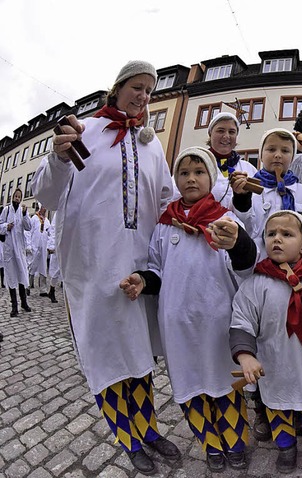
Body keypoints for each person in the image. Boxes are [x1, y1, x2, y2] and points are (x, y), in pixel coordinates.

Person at [32, 60, 179, 475]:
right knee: (107, 354)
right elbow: (48, 194)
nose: (144, 96)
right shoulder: (86, 131)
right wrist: (59, 159)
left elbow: (167, 200)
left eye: (150, 90)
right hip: (94, 264)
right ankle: (128, 438)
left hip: (139, 264)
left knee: (139, 353)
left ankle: (148, 429)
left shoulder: (151, 144)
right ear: (116, 89)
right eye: (137, 87)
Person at [120, 146, 256, 473]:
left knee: (225, 382)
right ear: (175, 179)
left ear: (211, 177)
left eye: (198, 172)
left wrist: (238, 243)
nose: (191, 178)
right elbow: (157, 266)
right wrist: (143, 280)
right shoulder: (167, 225)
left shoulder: (224, 220)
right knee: (190, 385)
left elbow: (246, 266)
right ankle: (209, 444)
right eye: (184, 173)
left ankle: (235, 442)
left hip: (217, 321)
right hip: (177, 324)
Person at [230, 210, 302, 474]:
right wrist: (245, 355)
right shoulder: (256, 283)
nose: (277, 239)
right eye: (271, 234)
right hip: (274, 361)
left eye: (287, 234)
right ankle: (286, 447)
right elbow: (242, 319)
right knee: (277, 405)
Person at [230, 128, 302, 259]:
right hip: (262, 267)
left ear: (292, 158)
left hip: (299, 272)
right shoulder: (249, 191)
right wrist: (242, 200)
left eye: (285, 151)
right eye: (271, 149)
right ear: (261, 155)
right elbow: (245, 232)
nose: (278, 155)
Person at [206, 112, 257, 208]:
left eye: (232, 132)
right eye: (220, 131)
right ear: (210, 133)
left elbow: (257, 209)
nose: (226, 136)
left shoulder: (248, 169)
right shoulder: (197, 164)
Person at [0, 188, 32, 317]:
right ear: (12, 197)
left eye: (19, 197)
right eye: (16, 196)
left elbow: (28, 227)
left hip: (19, 250)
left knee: (21, 275)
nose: (17, 198)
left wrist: (24, 215)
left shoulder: (23, 211)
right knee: (12, 277)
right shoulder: (7, 210)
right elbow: (0, 224)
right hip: (9, 250)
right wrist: (6, 226)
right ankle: (14, 307)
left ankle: (24, 302)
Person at [27, 205, 51, 298]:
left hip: (43, 248)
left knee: (43, 267)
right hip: (35, 246)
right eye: (43, 207)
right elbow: (29, 232)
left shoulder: (47, 221)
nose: (44, 209)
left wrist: (49, 246)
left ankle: (43, 289)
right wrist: (29, 245)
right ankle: (27, 286)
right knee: (32, 266)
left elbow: (49, 234)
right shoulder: (34, 218)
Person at [46, 212, 61, 303]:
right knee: (56, 269)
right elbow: (53, 229)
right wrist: (51, 245)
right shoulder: (58, 213)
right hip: (58, 244)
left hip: (70, 244)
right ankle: (52, 290)